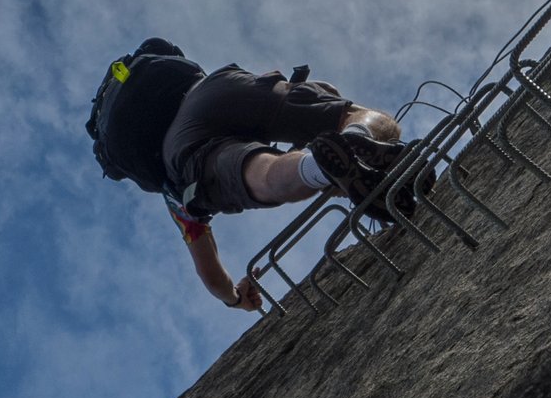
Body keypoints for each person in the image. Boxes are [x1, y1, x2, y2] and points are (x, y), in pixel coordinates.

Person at [90, 38, 411, 312]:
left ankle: (317, 167)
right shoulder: (195, 82)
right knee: (345, 114)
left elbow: (212, 277)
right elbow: (325, 90)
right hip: (216, 87)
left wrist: (236, 298)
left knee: (259, 172)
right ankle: (355, 135)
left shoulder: (174, 197)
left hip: (179, 148)